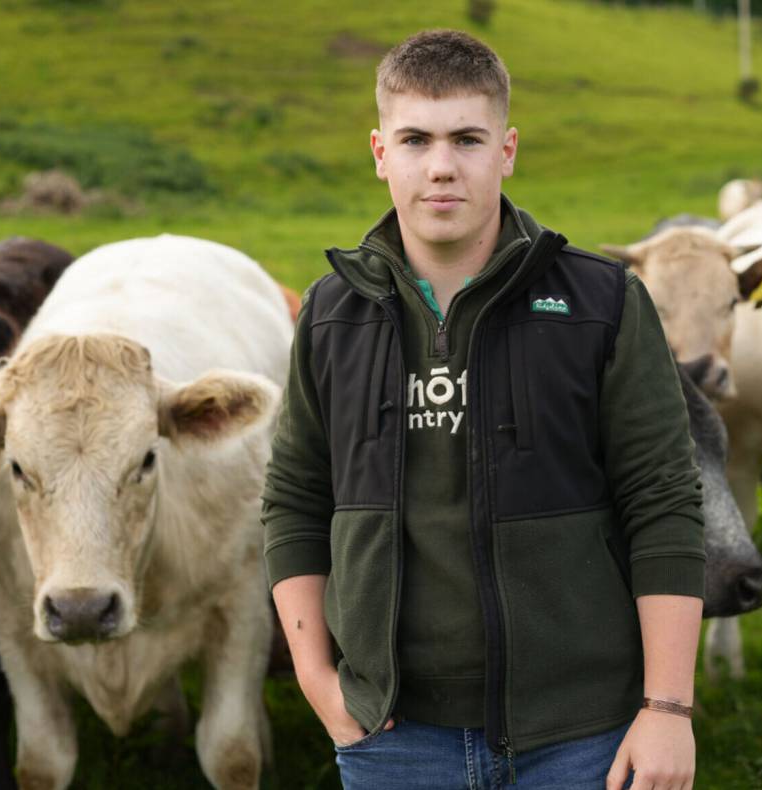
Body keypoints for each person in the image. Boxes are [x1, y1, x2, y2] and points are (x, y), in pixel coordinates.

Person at [261, 29, 705, 790]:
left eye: (468, 138)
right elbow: (296, 501)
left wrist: (667, 707)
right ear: (379, 153)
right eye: (415, 140)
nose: (441, 167)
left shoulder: (602, 304)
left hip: (579, 737)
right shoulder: (331, 316)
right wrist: (314, 677)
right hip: (393, 737)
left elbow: (663, 501)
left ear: (507, 150)